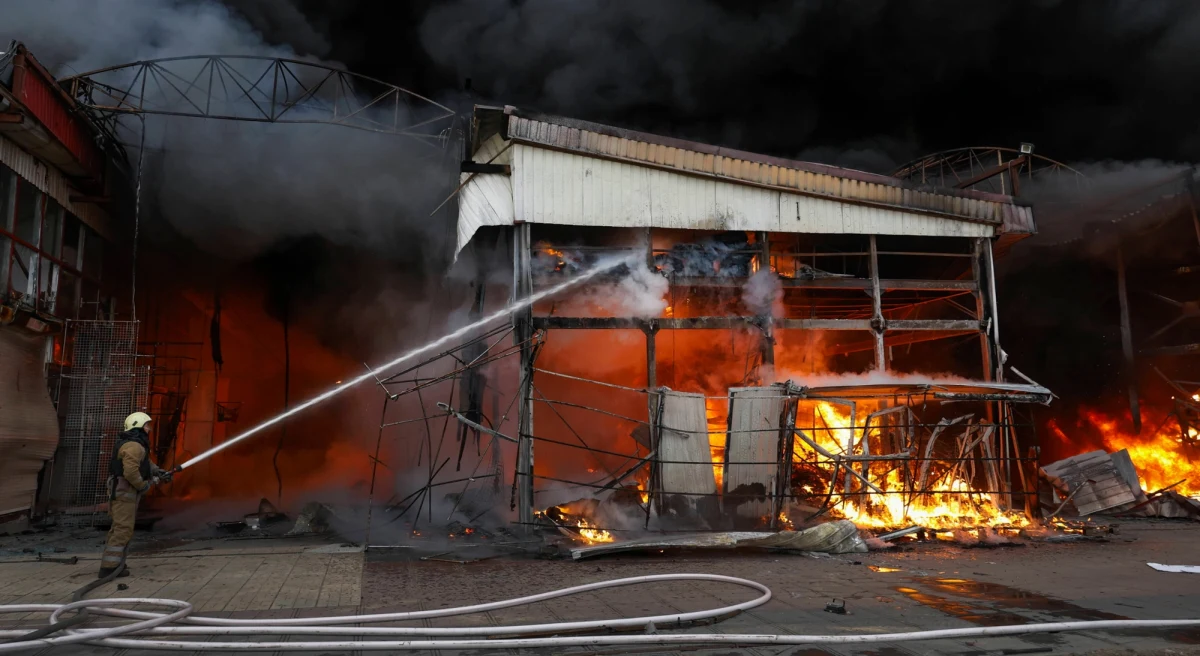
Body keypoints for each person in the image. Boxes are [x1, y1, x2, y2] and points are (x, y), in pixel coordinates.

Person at [99, 412, 171, 578]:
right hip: (125, 493)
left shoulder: (137, 445)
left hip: (124, 493)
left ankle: (114, 563)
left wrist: (158, 471)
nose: (149, 429)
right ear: (138, 426)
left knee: (120, 527)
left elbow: (145, 463)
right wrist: (143, 485)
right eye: (146, 425)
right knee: (123, 529)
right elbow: (131, 471)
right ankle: (109, 568)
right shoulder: (133, 445)